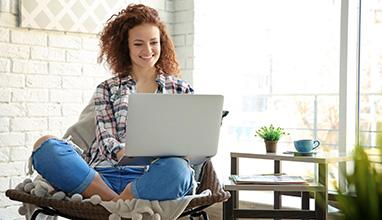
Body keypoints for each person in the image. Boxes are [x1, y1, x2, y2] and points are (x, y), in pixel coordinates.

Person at [31, 4, 195, 202]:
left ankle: (113, 204)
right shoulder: (107, 88)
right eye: (138, 44)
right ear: (125, 47)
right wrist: (121, 152)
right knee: (45, 146)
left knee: (179, 170)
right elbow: (105, 137)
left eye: (154, 42)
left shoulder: (181, 89)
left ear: (162, 43)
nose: (148, 50)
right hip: (102, 177)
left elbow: (188, 141)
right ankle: (119, 203)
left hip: (152, 177)